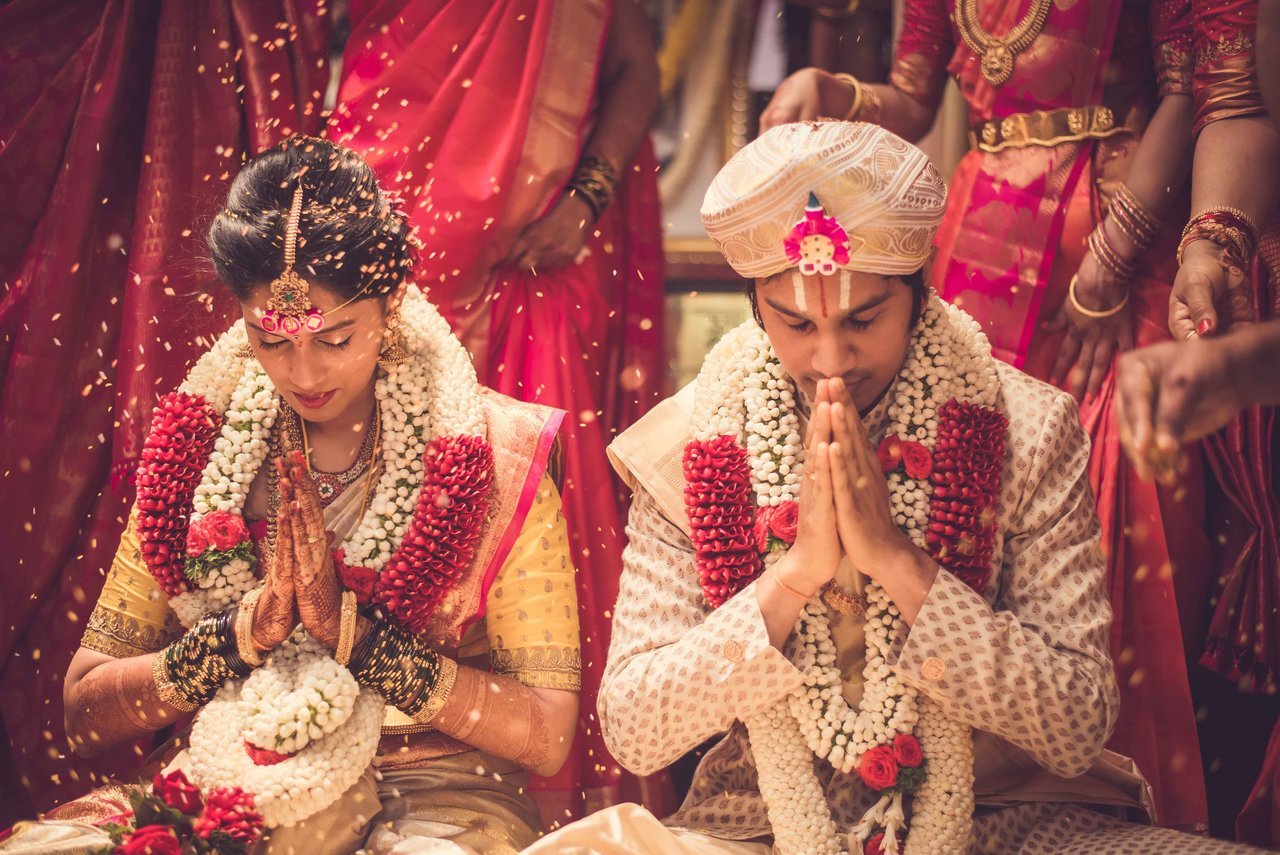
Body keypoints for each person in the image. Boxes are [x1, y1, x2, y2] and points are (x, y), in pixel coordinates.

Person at [524, 121, 1263, 853]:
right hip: (758, 825)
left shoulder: (1028, 427)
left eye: (863, 317)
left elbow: (1076, 720)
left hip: (1006, 816)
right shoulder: (693, 443)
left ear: (919, 292)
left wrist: (902, 566)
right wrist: (792, 579)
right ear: (755, 308)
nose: (830, 358)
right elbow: (634, 726)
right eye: (793, 322)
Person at [2, 137, 580, 854]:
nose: (303, 371)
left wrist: (365, 645)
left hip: (439, 794)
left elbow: (550, 733)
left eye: (334, 338)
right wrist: (234, 642)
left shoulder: (493, 453)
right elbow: (84, 709)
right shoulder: (200, 447)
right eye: (270, 341)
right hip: (235, 773)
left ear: (392, 302)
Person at [759, 0, 1210, 828]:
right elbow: (912, 100)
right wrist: (835, 89)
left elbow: (1191, 93)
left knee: (1121, 520)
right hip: (981, 237)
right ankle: (940, 790)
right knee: (950, 509)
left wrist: (1111, 261)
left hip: (1111, 231)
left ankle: (1113, 803)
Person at [328, 0, 670, 821]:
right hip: (384, 212)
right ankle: (343, 748)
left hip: (536, 252)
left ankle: (548, 792)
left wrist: (584, 201)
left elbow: (633, 70)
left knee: (536, 503)